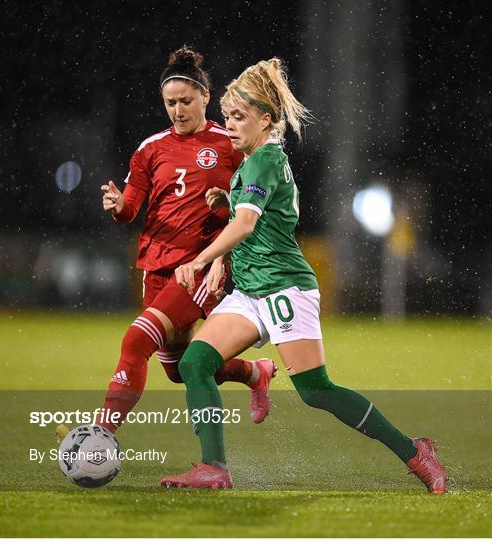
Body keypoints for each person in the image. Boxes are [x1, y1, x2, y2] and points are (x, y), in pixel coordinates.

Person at [159, 58, 447, 493]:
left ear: (266, 119)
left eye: (239, 117)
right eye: (227, 117)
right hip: (252, 290)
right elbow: (252, 218)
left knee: (316, 391)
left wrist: (202, 259)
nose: (230, 125)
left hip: (283, 288)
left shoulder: (262, 162)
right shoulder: (252, 162)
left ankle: (414, 452)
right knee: (195, 363)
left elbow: (247, 225)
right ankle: (213, 467)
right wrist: (226, 206)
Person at [96, 47, 277, 433]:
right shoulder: (150, 149)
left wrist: (226, 211)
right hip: (155, 268)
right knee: (179, 369)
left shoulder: (230, 143)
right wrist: (118, 206)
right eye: (170, 102)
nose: (178, 110)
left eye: (185, 101)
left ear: (206, 98)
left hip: (197, 268)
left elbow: (252, 205)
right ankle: (254, 373)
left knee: (135, 342)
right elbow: (131, 209)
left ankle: (99, 436)